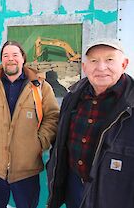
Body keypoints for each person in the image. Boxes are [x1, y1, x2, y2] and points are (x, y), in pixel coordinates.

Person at [47, 38, 134, 208]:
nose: (101, 67)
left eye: (109, 60)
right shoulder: (72, 96)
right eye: (94, 61)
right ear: (85, 68)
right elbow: (60, 142)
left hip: (114, 194)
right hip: (74, 185)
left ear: (124, 64)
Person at [0, 40, 59, 208]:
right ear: (1, 60)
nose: (10, 59)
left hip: (27, 167)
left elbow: (53, 117)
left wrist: (39, 142)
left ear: (23, 58)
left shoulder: (40, 87)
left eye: (14, 55)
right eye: (6, 55)